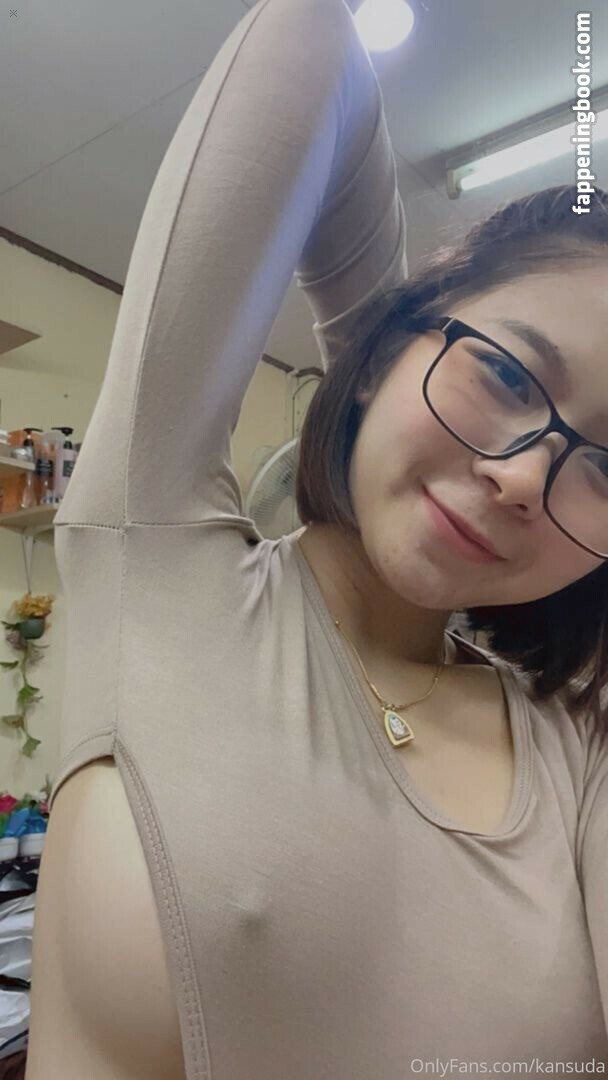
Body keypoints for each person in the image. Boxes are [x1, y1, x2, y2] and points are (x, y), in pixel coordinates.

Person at [26, 0, 608, 1077]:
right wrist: (391, 384)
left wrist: (421, 399)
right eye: (504, 372)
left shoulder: (575, 738)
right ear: (391, 345)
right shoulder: (156, 557)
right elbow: (312, 43)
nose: (525, 478)